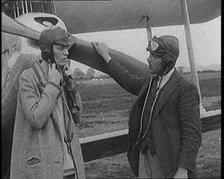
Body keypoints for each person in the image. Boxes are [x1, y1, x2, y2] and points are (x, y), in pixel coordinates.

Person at [92, 35, 202, 178]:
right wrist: (106, 57)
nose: (149, 59)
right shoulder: (151, 83)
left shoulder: (185, 89)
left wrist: (183, 169)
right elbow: (126, 79)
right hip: (145, 158)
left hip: (169, 164)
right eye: (149, 54)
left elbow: (192, 134)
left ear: (168, 61)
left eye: (154, 56)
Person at [10, 26, 85, 179]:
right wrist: (52, 85)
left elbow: (77, 118)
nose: (67, 53)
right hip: (45, 171)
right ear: (47, 51)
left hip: (71, 168)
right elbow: (36, 119)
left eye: (67, 48)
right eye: (61, 48)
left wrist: (72, 88)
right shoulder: (28, 78)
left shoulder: (63, 77)